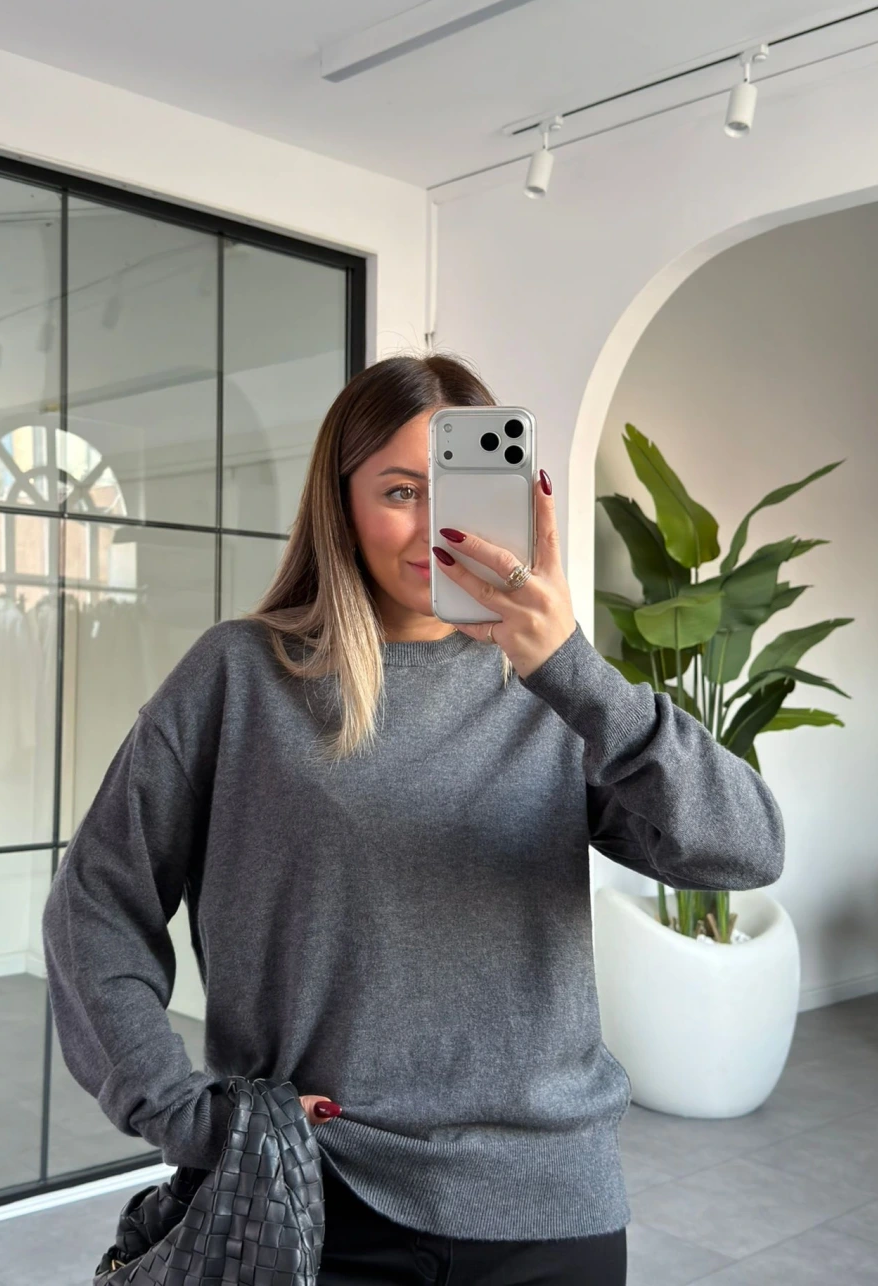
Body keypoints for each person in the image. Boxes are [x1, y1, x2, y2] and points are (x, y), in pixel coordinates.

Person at [42, 352, 785, 1285]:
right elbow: (95, 904)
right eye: (401, 491)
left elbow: (746, 849)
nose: (437, 524)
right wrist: (178, 1108)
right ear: (341, 504)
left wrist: (573, 671)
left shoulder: (563, 694)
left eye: (464, 490)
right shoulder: (242, 676)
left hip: (547, 1206)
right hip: (310, 1199)